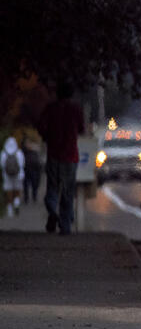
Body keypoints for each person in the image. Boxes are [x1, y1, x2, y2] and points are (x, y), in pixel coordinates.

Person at [37, 82, 85, 234]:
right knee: (68, 191)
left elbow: (40, 126)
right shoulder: (75, 109)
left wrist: (47, 137)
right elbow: (81, 129)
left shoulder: (50, 109)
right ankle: (65, 226)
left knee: (52, 186)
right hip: (70, 155)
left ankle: (52, 209)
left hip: (53, 153)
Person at [1, 136, 25, 217]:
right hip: (18, 175)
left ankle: (9, 208)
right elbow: (22, 164)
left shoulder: (3, 153)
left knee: (9, 190)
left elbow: (2, 165)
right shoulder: (19, 152)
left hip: (7, 175)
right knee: (17, 190)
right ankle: (16, 203)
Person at [21, 134, 42, 205]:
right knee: (26, 185)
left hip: (34, 169)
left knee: (34, 184)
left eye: (28, 142)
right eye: (26, 143)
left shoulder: (34, 150)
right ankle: (26, 197)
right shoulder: (23, 151)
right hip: (26, 169)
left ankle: (34, 196)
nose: (28, 144)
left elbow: (38, 159)